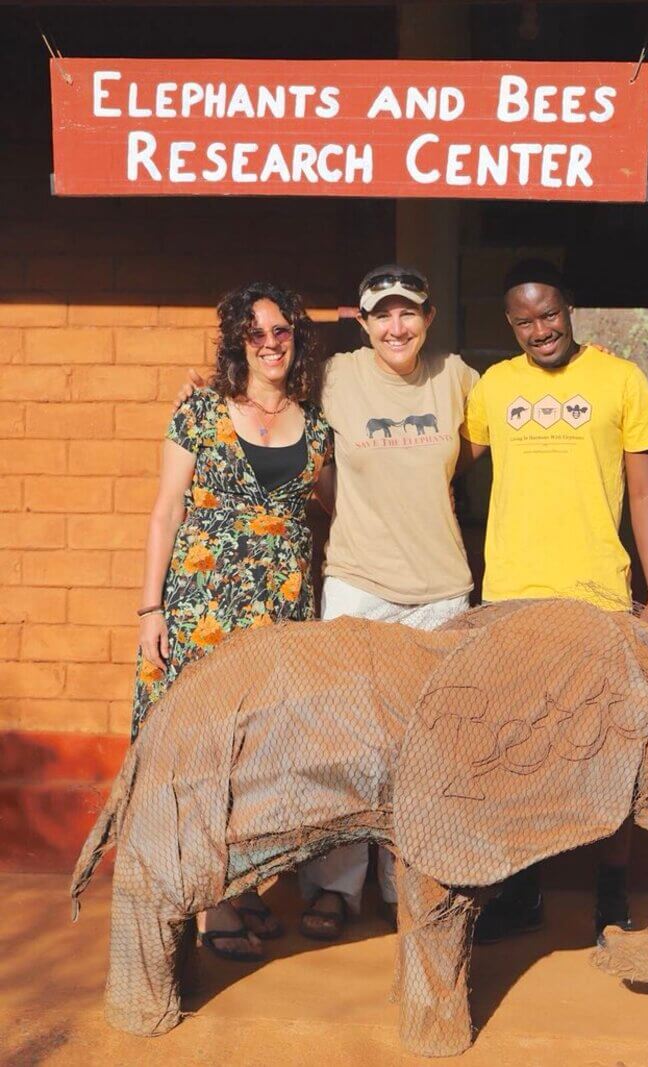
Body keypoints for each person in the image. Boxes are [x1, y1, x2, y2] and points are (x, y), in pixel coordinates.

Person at [177, 265, 478, 941]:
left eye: (408, 314)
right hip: (358, 583)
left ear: (428, 318)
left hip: (441, 590)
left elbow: (485, 442)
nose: (396, 327)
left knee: (426, 749)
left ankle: (412, 888)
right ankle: (335, 886)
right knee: (342, 744)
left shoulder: (458, 378)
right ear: (365, 323)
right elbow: (262, 388)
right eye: (382, 315)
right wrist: (202, 386)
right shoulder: (338, 376)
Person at [459, 257, 648, 944]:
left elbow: (643, 492)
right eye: (524, 321)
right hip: (512, 596)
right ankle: (524, 893)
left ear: (568, 306)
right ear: (510, 325)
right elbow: (446, 460)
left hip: (597, 594)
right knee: (516, 749)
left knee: (609, 749)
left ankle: (611, 895)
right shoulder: (493, 386)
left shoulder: (619, 378)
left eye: (548, 314)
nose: (540, 329)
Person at [135, 280, 332, 962]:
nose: (271, 343)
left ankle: (240, 883)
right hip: (204, 605)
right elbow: (165, 511)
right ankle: (212, 905)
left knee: (258, 755)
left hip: (280, 612)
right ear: (237, 343)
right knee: (205, 750)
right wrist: (150, 607)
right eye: (256, 333)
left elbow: (331, 510)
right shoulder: (199, 410)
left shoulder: (318, 425)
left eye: (282, 332)